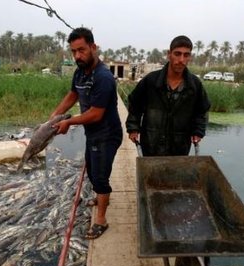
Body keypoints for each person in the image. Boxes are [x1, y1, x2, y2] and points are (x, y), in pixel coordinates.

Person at [51, 27, 123, 240]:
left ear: (93, 47)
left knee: (100, 176)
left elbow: (95, 114)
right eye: (73, 51)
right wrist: (55, 115)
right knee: (91, 169)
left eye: (81, 50)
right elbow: (73, 94)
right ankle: (101, 197)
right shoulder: (80, 71)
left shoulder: (104, 77)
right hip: (93, 133)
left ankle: (101, 219)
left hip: (107, 133)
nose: (77, 56)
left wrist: (69, 122)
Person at [125, 35, 210, 156]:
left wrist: (198, 131)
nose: (181, 59)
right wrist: (133, 127)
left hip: (180, 146)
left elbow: (202, 110)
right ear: (169, 54)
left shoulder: (194, 85)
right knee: (150, 174)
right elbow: (135, 104)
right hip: (151, 143)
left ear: (190, 57)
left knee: (176, 174)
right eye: (177, 54)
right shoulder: (151, 81)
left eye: (186, 55)